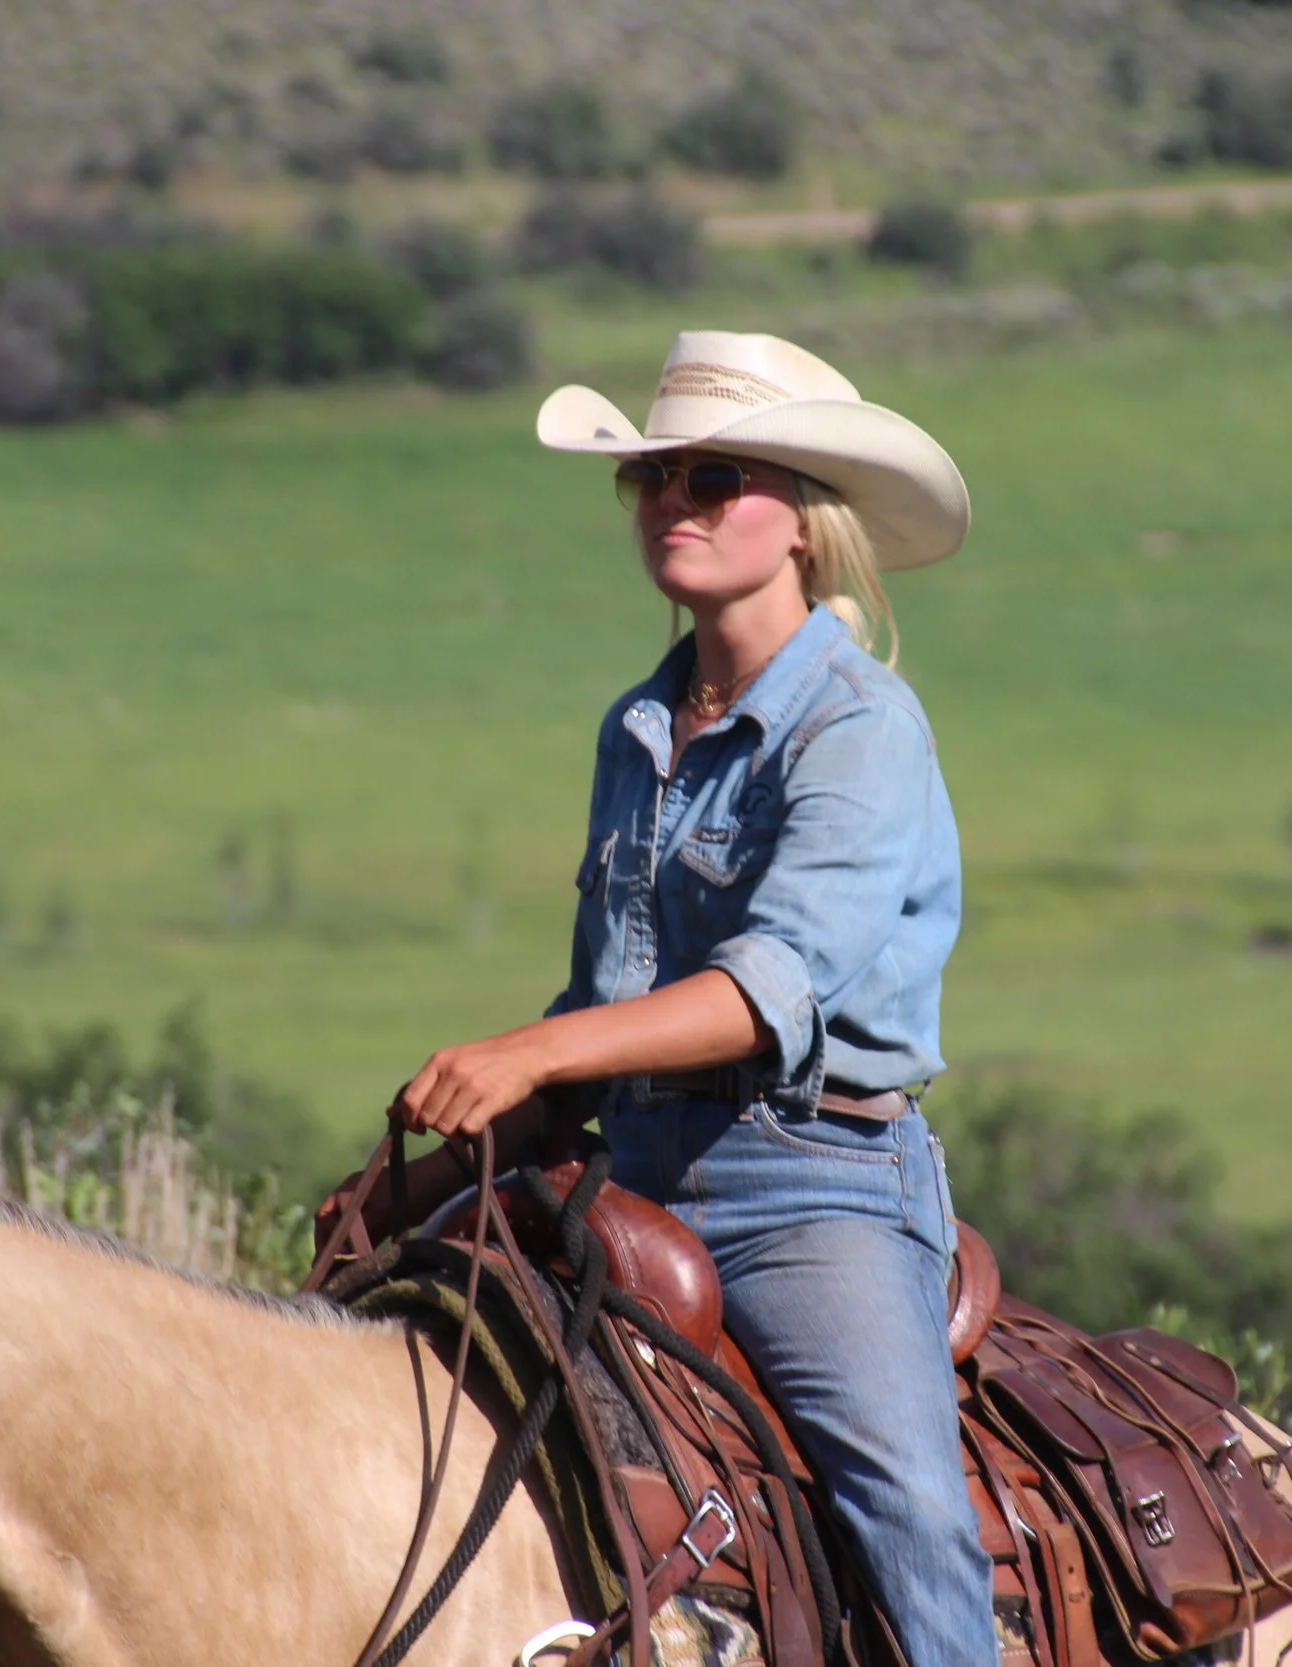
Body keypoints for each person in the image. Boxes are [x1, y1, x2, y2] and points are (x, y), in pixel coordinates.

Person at [378, 331, 997, 1665]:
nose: (675, 502)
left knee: (910, 1509)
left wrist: (532, 1050)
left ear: (804, 522)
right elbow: (617, 988)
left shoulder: (859, 727)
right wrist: (495, 1119)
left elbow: (765, 994)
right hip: (636, 1168)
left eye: (715, 476)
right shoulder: (637, 727)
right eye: (654, 478)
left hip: (813, 1184)